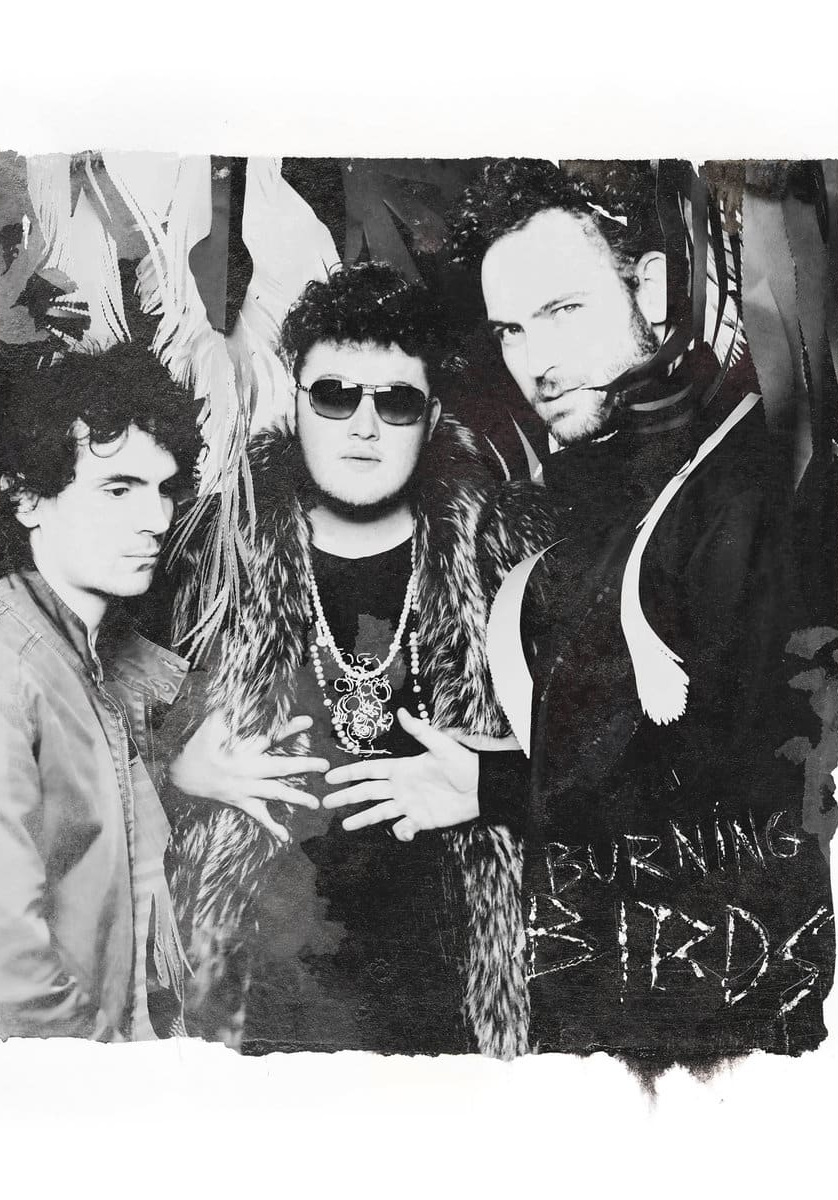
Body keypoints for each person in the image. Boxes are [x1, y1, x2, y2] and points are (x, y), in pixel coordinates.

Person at [447, 160, 835, 1060]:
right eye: (511, 331)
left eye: (563, 311)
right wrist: (492, 786)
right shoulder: (610, 503)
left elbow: (757, 812)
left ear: (654, 292)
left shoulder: (743, 490)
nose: (537, 364)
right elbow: (652, 775)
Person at [163, 263, 551, 1056]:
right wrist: (179, 771)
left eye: (396, 402)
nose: (364, 426)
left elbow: (606, 768)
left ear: (431, 417)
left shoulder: (504, 561)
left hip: (456, 1003)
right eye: (335, 396)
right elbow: (109, 738)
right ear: (296, 400)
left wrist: (500, 784)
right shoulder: (218, 552)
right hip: (263, 1005)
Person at [0, 340, 202, 1042]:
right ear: (27, 497)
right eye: (118, 489)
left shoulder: (104, 663)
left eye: (164, 489)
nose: (156, 519)